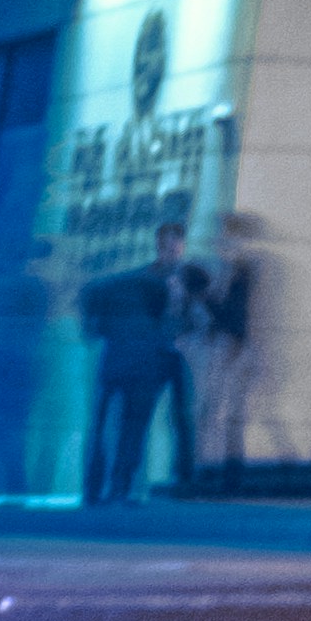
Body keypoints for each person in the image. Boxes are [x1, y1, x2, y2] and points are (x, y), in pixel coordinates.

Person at [80, 216, 197, 504]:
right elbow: (173, 325)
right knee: (135, 424)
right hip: (150, 361)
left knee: (115, 424)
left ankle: (103, 488)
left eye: (175, 245)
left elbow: (92, 306)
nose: (172, 250)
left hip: (127, 360)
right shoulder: (158, 281)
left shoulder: (131, 280)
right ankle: (120, 485)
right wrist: (176, 307)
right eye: (168, 245)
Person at [192, 226, 262, 477]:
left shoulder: (239, 274)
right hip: (231, 343)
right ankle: (225, 469)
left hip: (229, 344)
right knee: (224, 408)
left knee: (216, 407)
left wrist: (204, 297)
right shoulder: (239, 273)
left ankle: (209, 467)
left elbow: (231, 315)